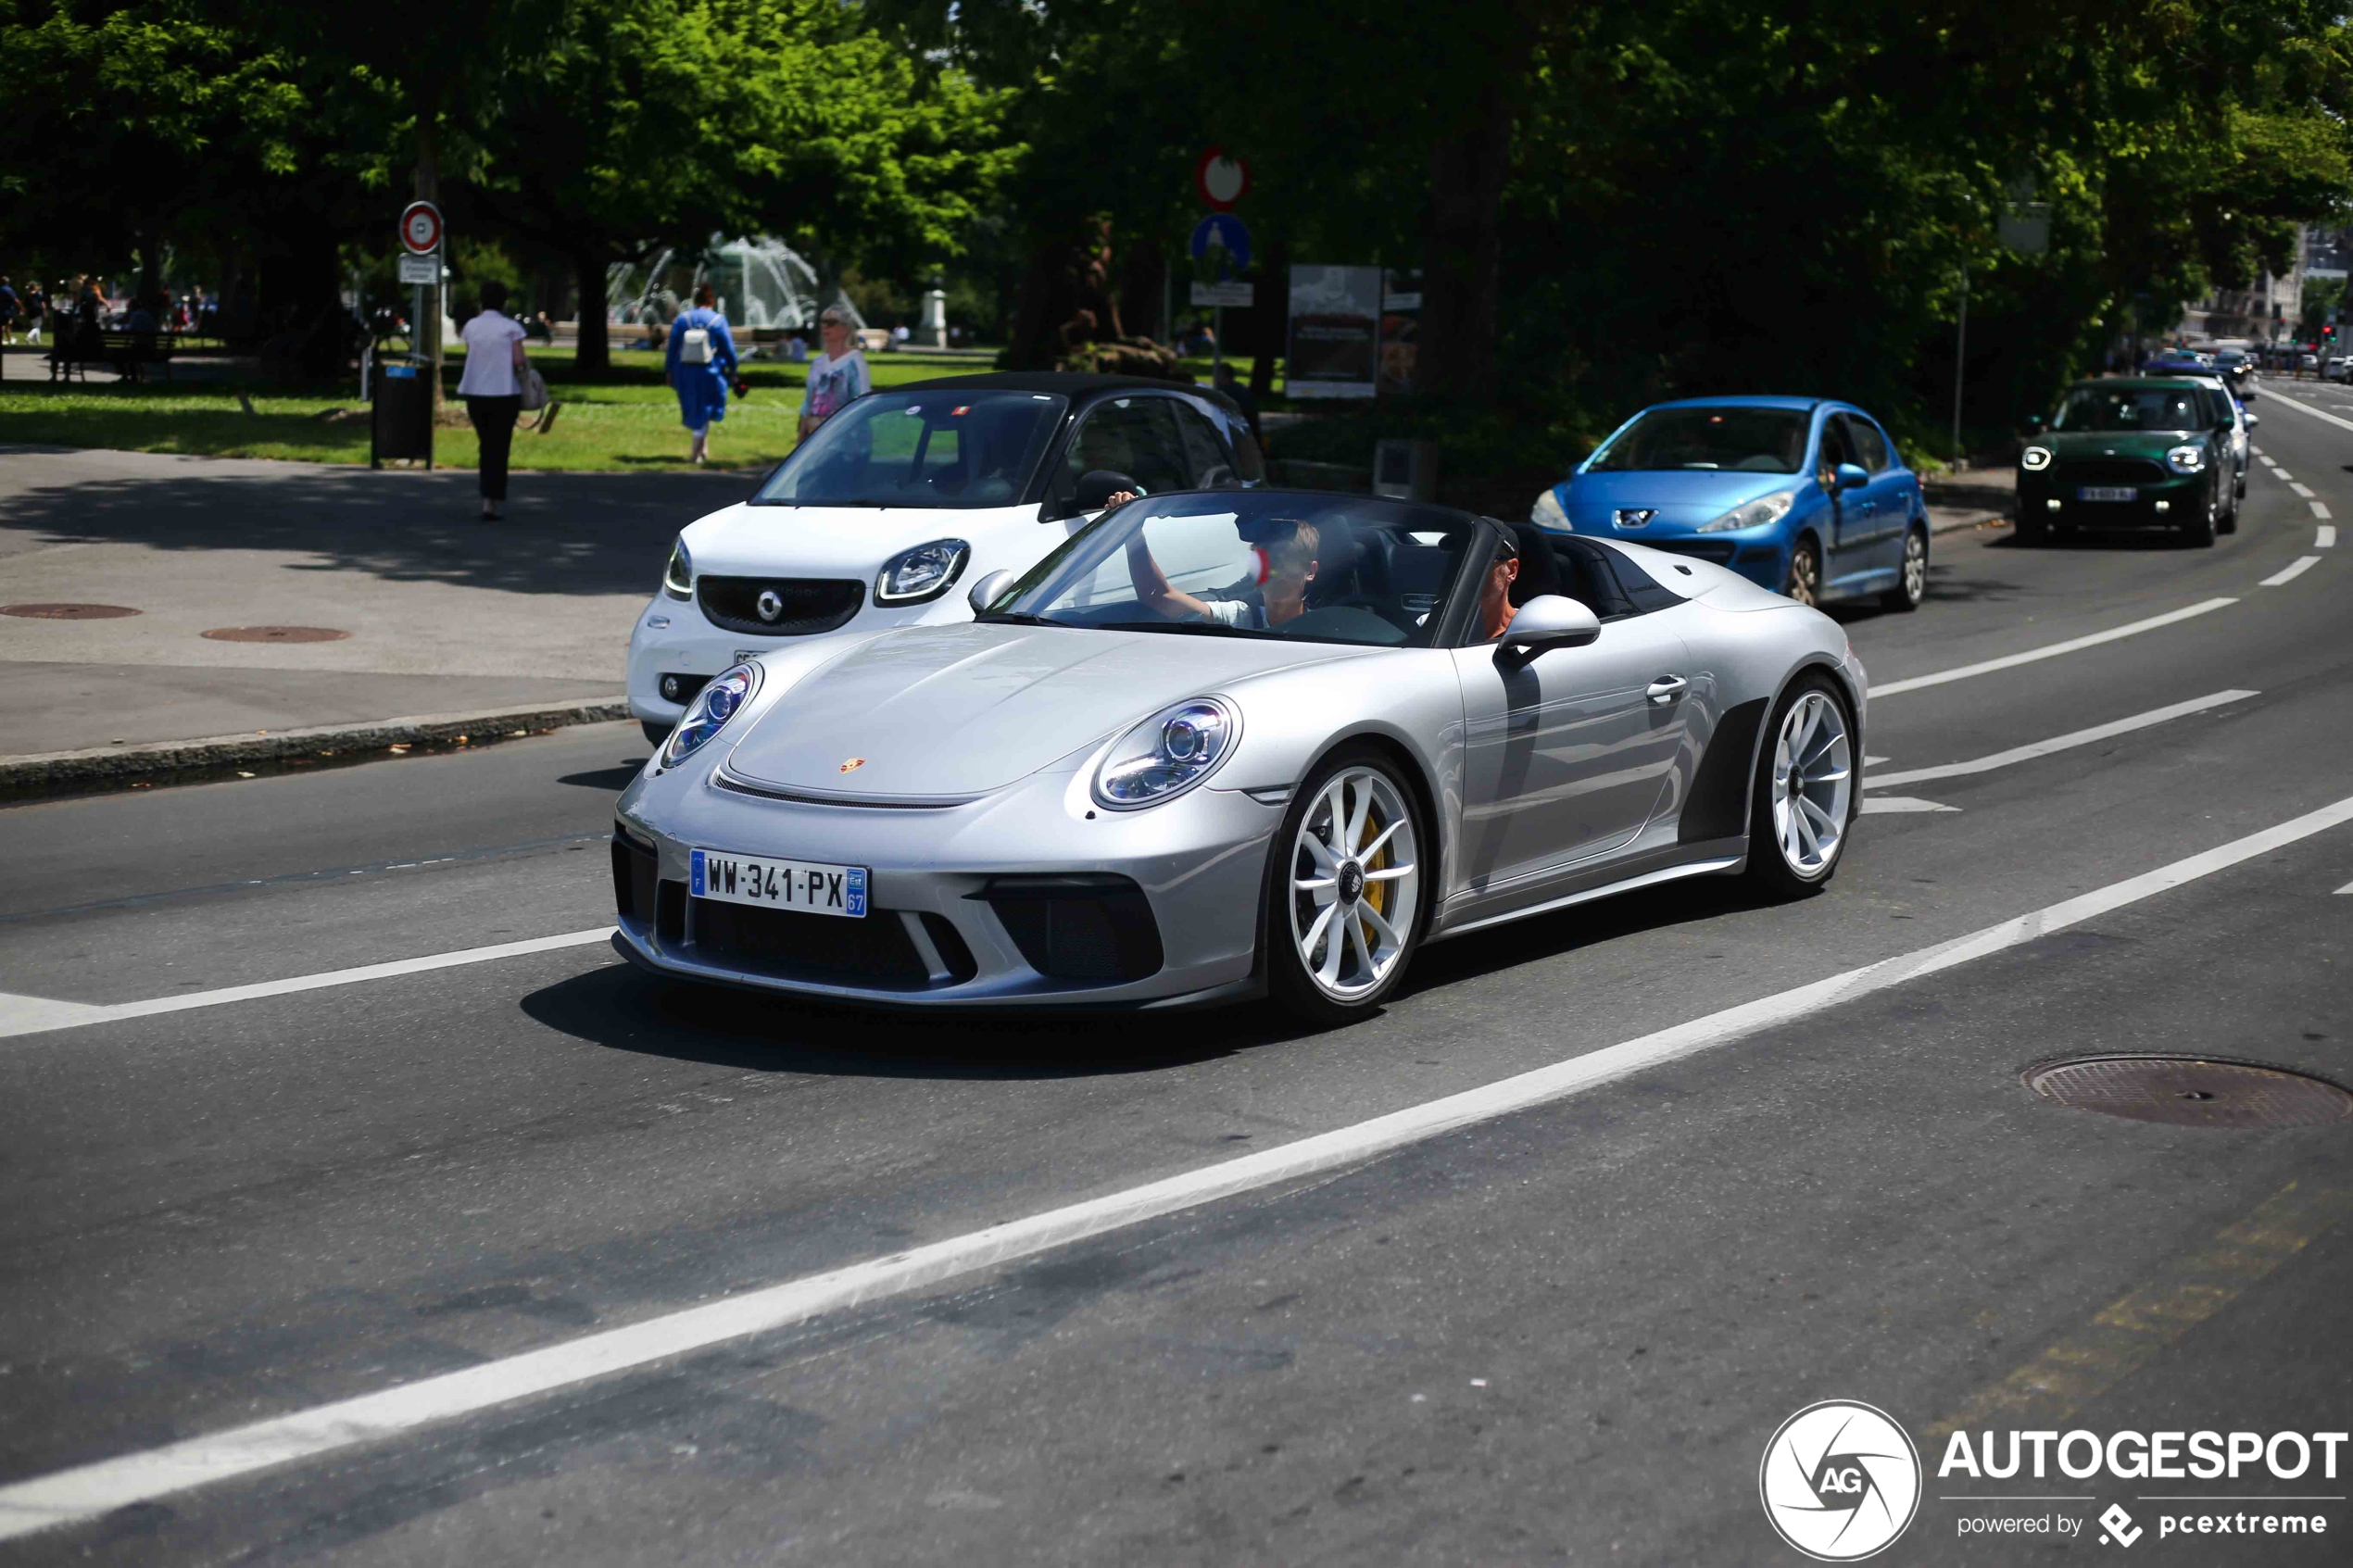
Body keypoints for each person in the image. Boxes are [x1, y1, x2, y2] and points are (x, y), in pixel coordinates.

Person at [1122, 497, 1321, 630]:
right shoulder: (1240, 617)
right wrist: (1132, 533)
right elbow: (1159, 596)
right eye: (1263, 558)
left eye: (1284, 558)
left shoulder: (1325, 629)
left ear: (1310, 571)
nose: (1272, 569)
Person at [456, 278, 529, 521]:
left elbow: (472, 354)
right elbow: (519, 362)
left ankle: (486, 498)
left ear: (481, 301)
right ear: (504, 302)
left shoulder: (470, 327)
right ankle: (492, 499)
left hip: (476, 392)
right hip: (504, 392)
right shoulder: (512, 328)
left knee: (486, 443)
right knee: (500, 446)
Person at [665, 282, 738, 464]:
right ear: (711, 300)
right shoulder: (718, 320)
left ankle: (702, 449)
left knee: (695, 408)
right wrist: (733, 368)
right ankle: (695, 454)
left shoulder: (683, 320)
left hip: (685, 373)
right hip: (710, 372)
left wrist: (669, 371)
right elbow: (729, 349)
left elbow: (672, 348)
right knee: (705, 409)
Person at [799, 306, 869, 440]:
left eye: (831, 323)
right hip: (815, 440)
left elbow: (861, 403)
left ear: (845, 329)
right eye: (822, 322)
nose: (825, 326)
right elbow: (808, 404)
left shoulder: (855, 361)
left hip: (844, 440)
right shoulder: (817, 363)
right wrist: (800, 441)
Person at [1477, 530, 1521, 641]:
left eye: (1484, 558)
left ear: (1511, 570)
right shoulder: (1431, 625)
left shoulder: (1530, 632)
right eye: (1460, 558)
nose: (1465, 568)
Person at [1212, 360, 1260, 440]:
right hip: (1251, 431)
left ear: (1223, 376)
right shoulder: (1242, 389)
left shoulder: (1225, 392)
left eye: (1218, 375)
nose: (1216, 378)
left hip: (1240, 435)